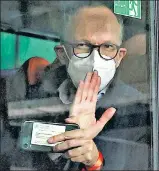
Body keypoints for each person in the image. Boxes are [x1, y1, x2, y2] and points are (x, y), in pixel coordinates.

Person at [5, 5, 149, 170]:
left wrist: (94, 161)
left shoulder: (140, 111)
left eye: (108, 47)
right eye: (83, 45)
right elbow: (11, 157)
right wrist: (60, 146)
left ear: (119, 57)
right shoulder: (32, 98)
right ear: (62, 54)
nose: (96, 59)